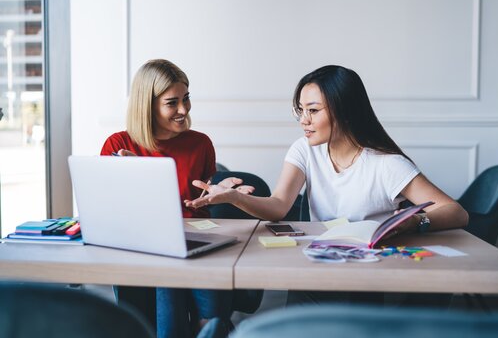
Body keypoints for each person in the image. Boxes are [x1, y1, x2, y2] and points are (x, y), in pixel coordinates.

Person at [185, 65, 469, 305]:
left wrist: (414, 221)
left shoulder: (386, 164)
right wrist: (234, 198)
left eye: (313, 111)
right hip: (317, 268)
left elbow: (456, 212)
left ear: (345, 111)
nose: (304, 121)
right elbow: (278, 206)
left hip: (368, 280)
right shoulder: (304, 150)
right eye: (300, 111)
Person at [101, 59, 250, 337]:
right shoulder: (118, 145)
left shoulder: (200, 143)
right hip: (143, 245)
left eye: (186, 98)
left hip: (197, 243)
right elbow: (110, 211)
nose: (184, 109)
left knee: (192, 298)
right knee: (165, 277)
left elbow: (204, 193)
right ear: (148, 106)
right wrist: (135, 177)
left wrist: (224, 191)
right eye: (172, 102)